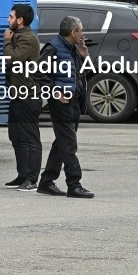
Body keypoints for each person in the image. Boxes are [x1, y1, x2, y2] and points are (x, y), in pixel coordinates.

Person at [37, 16, 95, 199]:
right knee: (69, 144)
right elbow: (38, 73)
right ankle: (74, 184)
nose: (82, 34)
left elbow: (80, 74)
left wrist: (84, 56)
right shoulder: (53, 48)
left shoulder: (73, 49)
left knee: (62, 142)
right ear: (73, 32)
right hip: (61, 103)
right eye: (81, 30)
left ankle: (46, 181)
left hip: (74, 102)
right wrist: (55, 92)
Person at [3, 3, 42, 191]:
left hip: (28, 95)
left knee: (30, 138)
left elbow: (13, 59)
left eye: (10, 17)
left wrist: (7, 41)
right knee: (16, 136)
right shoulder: (18, 36)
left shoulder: (27, 38)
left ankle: (32, 179)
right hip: (17, 94)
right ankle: (22, 175)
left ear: (20, 20)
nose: (7, 20)